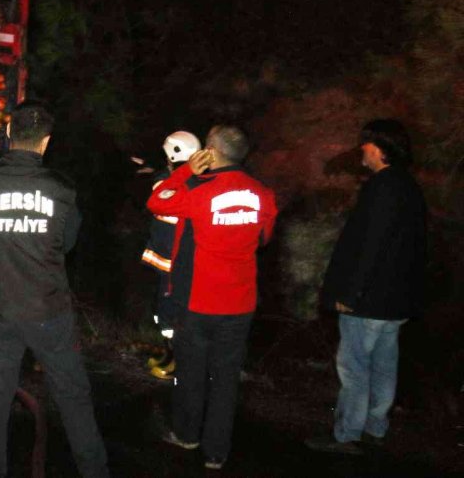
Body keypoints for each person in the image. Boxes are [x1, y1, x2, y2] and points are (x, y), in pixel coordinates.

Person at [0, 100, 110, 478]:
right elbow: (69, 244)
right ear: (46, 142)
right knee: (73, 396)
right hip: (48, 312)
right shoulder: (62, 189)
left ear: (9, 134)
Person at [146, 124, 277, 471]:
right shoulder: (263, 193)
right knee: (225, 379)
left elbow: (156, 201)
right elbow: (265, 236)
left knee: (190, 374)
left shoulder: (200, 192)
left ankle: (187, 435)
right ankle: (216, 454)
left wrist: (188, 170)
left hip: (200, 302)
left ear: (212, 152)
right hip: (240, 304)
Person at [305, 119, 427, 455]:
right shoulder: (408, 187)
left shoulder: (383, 187)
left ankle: (348, 434)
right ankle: (376, 427)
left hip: (369, 299)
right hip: (395, 300)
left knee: (354, 365)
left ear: (380, 149)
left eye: (367, 143)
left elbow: (370, 245)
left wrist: (351, 293)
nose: (362, 149)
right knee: (384, 364)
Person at [139, 130, 202, 380]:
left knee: (171, 316)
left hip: (174, 264)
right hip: (169, 261)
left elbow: (162, 195)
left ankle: (178, 363)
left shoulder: (171, 183)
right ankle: (173, 356)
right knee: (166, 313)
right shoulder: (185, 180)